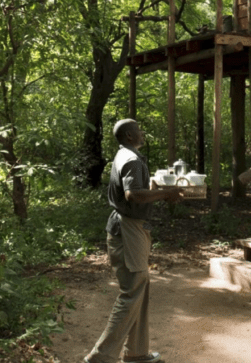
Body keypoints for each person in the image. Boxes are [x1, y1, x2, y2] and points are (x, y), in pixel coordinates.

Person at [85, 119, 184, 363]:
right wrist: (166, 194)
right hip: (128, 229)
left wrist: (158, 187)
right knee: (132, 291)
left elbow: (137, 189)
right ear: (129, 135)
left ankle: (137, 353)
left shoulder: (124, 155)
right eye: (138, 129)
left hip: (130, 227)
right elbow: (133, 194)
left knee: (140, 288)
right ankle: (99, 358)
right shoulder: (131, 159)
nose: (142, 132)